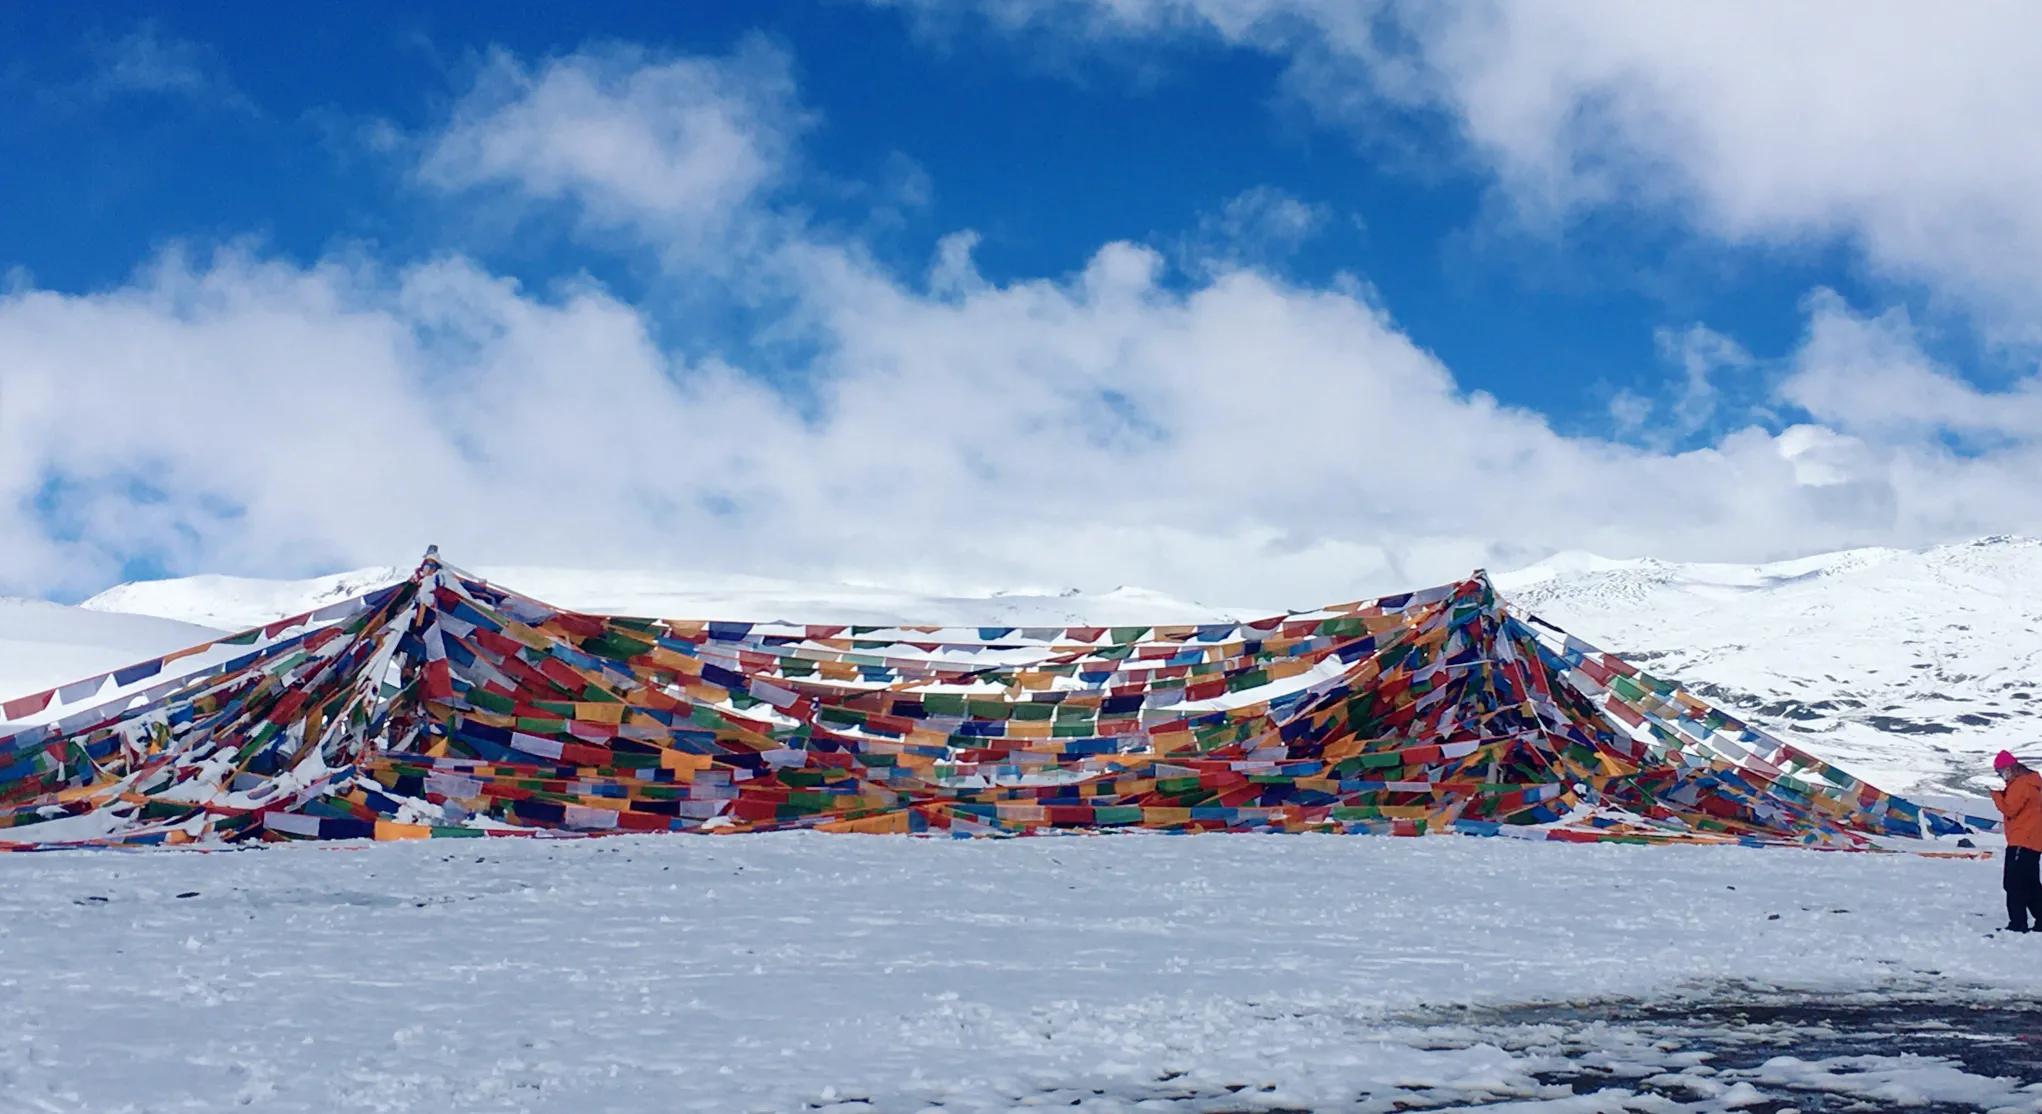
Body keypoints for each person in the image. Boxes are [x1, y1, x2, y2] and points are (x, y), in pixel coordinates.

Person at [1991, 750, 2042, 932]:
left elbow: (2010, 809)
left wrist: (1996, 796)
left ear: (2010, 768)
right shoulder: (2033, 782)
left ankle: (2018, 923)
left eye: (2001, 771)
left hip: (2022, 839)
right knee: (2030, 883)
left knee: (2013, 884)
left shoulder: (2021, 784)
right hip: (2033, 840)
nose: (2001, 776)